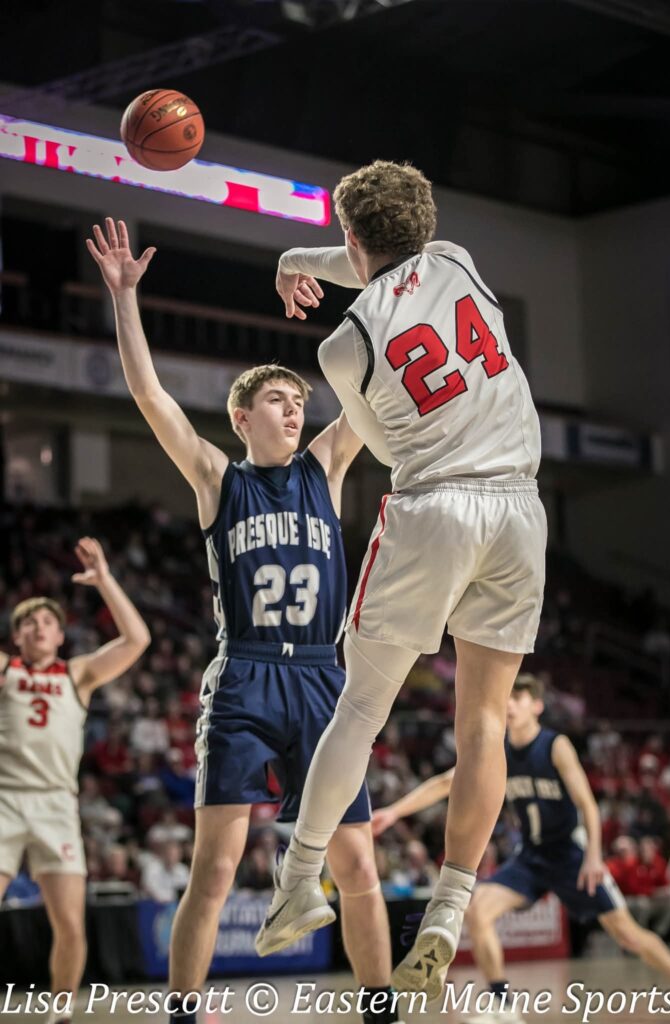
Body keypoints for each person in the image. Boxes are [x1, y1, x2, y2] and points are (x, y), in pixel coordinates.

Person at [87, 218, 400, 1024]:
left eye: (299, 400)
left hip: (325, 679)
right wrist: (125, 299)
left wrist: (374, 280)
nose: (294, 409)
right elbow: (151, 397)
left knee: (355, 857)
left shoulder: (326, 465)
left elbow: (377, 375)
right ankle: (185, 1011)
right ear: (243, 417)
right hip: (247, 674)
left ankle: (378, 1005)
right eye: (277, 399)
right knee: (214, 866)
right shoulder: (216, 478)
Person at [256, 159, 547, 1002]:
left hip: (435, 509)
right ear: (422, 224)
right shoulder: (455, 259)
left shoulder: (341, 346)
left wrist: (296, 265)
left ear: (349, 236)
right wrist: (301, 259)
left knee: (359, 709)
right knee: (484, 722)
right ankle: (454, 905)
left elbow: (383, 447)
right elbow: (381, 259)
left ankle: (298, 881)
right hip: (520, 510)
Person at [373, 675, 670, 1021]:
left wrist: (594, 856)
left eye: (519, 697)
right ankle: (503, 1003)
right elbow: (449, 782)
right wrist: (393, 811)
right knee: (478, 910)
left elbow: (588, 805)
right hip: (532, 857)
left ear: (537, 706)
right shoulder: (499, 752)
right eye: (507, 696)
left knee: (628, 936)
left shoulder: (555, 745)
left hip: (570, 856)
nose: (509, 703)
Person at [0, 537, 150, 1021]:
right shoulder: (6, 670)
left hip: (57, 804)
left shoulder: (77, 674)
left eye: (47, 621)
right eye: (28, 622)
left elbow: (137, 640)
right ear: (16, 635)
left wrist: (104, 579)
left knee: (68, 921)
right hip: (4, 800)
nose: (38, 627)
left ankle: (60, 1013)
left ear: (61, 636)